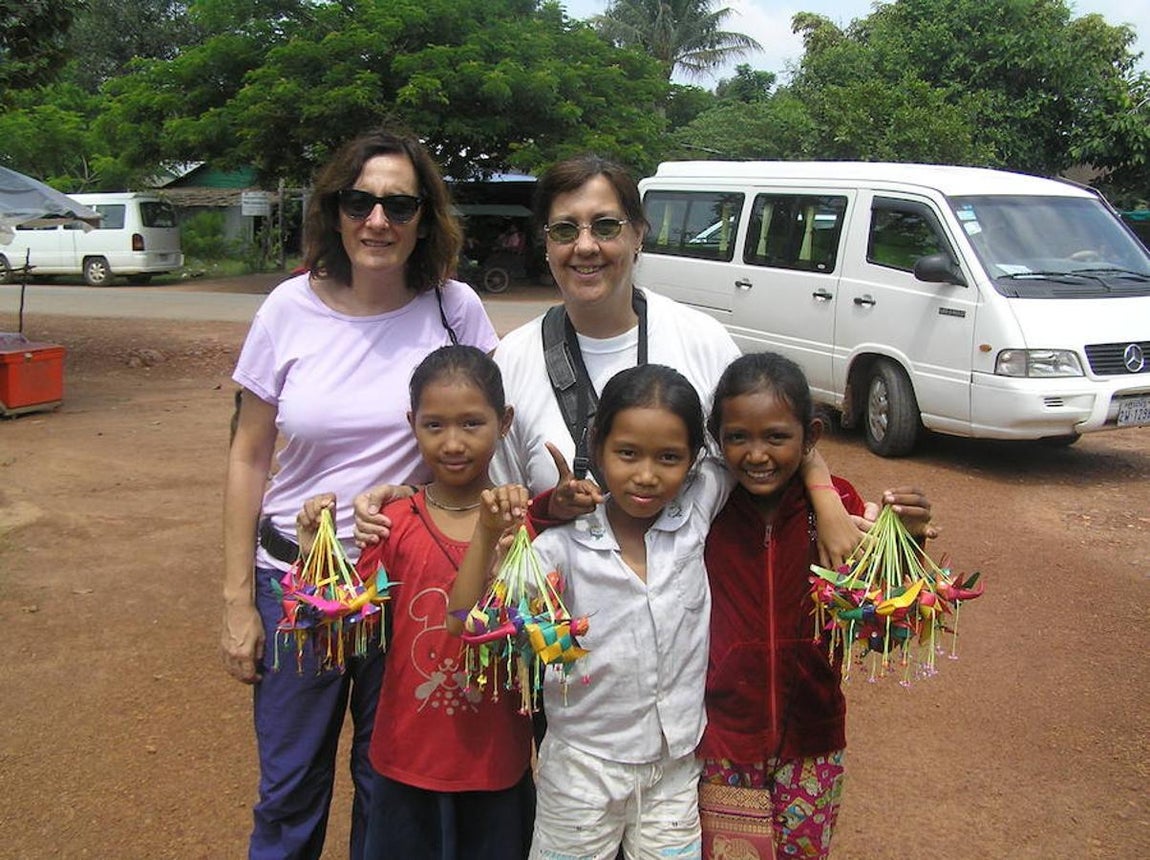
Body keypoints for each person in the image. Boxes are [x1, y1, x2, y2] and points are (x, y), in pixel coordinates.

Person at [358, 154, 863, 567]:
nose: (585, 246)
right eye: (564, 230)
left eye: (605, 226)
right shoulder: (514, 359)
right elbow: (487, 492)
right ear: (546, 242)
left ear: (638, 234)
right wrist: (410, 499)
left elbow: (766, 438)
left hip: (684, 628)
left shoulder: (701, 340)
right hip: (557, 634)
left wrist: (827, 497)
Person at [221, 128, 499, 860]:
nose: (378, 221)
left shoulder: (454, 309)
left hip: (401, 586)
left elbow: (486, 428)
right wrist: (236, 600)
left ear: (425, 218)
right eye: (360, 202)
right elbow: (248, 456)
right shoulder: (287, 308)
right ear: (335, 211)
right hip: (298, 586)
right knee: (290, 787)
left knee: (389, 785)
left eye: (399, 205)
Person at [450, 364, 727, 858]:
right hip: (581, 771)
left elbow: (757, 450)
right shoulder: (561, 546)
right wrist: (493, 536)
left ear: (693, 460)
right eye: (627, 453)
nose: (646, 475)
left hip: (675, 765)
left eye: (669, 457)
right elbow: (465, 621)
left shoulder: (695, 513)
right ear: (596, 446)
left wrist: (822, 485)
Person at [295, 346, 534, 860]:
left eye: (472, 423)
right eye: (434, 426)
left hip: (494, 760)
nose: (453, 443)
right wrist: (313, 554)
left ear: (505, 422)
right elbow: (346, 629)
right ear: (412, 425)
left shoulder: (522, 528)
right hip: (406, 756)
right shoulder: (394, 523)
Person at [698, 352, 933, 859]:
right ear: (716, 437)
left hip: (814, 738)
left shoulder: (839, 506)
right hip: (725, 740)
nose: (756, 454)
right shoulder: (706, 508)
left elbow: (881, 602)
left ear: (811, 437)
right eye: (737, 437)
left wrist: (906, 538)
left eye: (776, 437)